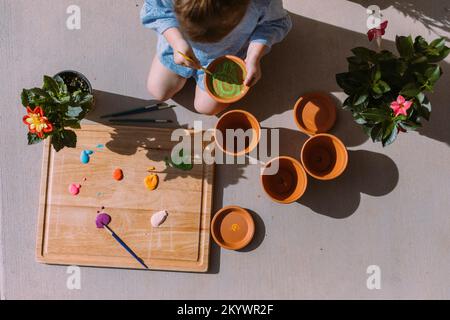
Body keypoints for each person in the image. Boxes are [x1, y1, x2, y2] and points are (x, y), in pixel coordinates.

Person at [141, 0, 292, 115]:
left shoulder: (262, 3)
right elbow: (156, 10)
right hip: (178, 46)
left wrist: (254, 56)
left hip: (229, 51)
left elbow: (275, 24)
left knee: (205, 108)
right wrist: (177, 41)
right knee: (158, 91)